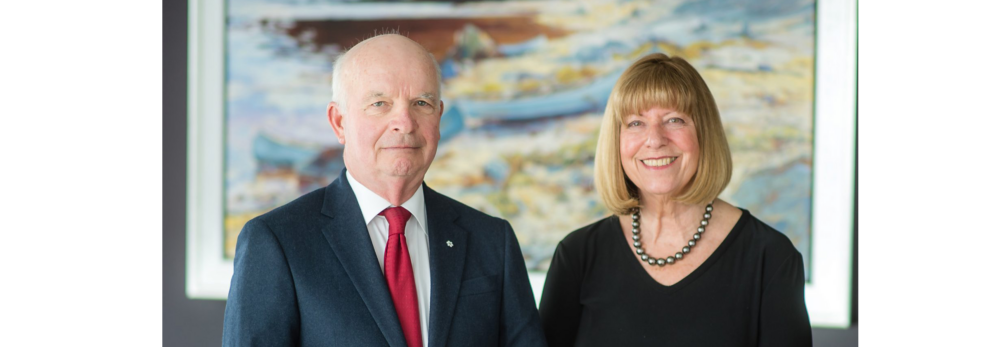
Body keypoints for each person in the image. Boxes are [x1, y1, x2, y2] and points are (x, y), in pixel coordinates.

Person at [222, 34, 545, 347]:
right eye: (380, 104)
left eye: (421, 103)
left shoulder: (492, 241)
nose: (404, 122)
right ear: (339, 122)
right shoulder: (276, 242)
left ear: (439, 118)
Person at [538, 53, 812, 346]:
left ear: (704, 134)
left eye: (674, 120)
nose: (655, 139)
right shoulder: (577, 256)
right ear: (616, 141)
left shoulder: (769, 258)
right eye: (635, 123)